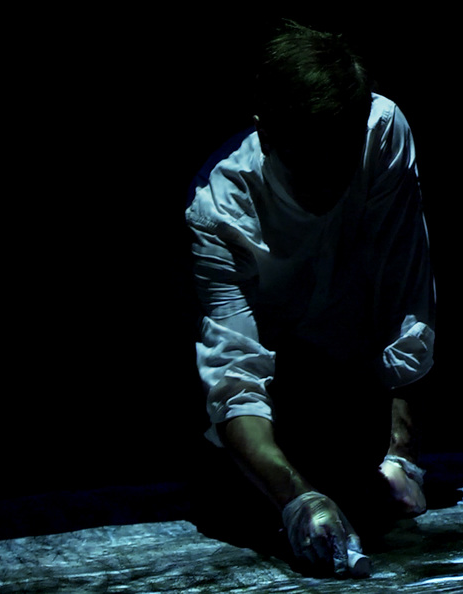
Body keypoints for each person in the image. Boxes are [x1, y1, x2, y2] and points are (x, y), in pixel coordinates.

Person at [185, 21, 436, 578]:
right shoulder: (218, 209)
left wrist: (403, 455)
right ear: (267, 132)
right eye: (307, 165)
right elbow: (234, 379)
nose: (326, 185)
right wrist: (298, 499)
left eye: (339, 162)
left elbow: (406, 293)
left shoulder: (382, 132)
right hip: (278, 412)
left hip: (357, 393)